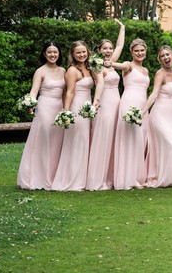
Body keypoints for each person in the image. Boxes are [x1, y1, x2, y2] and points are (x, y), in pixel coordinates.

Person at [17, 41, 66, 190]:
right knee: (44, 140)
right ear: (44, 54)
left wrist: (66, 109)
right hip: (44, 107)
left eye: (55, 52)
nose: (52, 55)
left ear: (59, 54)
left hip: (59, 108)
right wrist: (30, 105)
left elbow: (65, 92)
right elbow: (34, 91)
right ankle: (39, 177)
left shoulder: (63, 70)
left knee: (57, 141)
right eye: (49, 52)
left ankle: (54, 176)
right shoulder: (40, 71)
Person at [86, 19, 125, 191]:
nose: (109, 51)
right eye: (105, 48)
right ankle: (97, 178)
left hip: (117, 102)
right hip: (105, 104)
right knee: (104, 137)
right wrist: (96, 104)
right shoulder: (96, 65)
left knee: (114, 138)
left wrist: (122, 28)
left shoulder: (110, 63)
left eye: (109, 48)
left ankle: (112, 177)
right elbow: (100, 85)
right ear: (98, 50)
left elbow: (119, 46)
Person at [52, 41, 95, 191]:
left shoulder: (90, 67)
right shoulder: (72, 71)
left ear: (88, 52)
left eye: (84, 52)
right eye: (78, 53)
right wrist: (66, 112)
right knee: (78, 143)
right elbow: (69, 92)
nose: (82, 55)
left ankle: (82, 178)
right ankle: (73, 181)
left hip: (88, 108)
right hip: (77, 108)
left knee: (84, 143)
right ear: (73, 54)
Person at [143, 45, 172, 188]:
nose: (166, 58)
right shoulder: (159, 74)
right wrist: (142, 112)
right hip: (160, 114)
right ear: (160, 60)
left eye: (167, 55)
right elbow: (154, 94)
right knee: (170, 145)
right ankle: (162, 178)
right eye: (162, 56)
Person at [112, 38, 150, 190]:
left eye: (142, 50)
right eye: (136, 51)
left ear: (145, 52)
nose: (139, 53)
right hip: (129, 103)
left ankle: (136, 176)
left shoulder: (146, 70)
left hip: (142, 106)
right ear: (132, 52)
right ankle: (126, 178)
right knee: (128, 139)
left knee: (140, 140)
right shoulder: (128, 65)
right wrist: (109, 64)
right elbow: (119, 65)